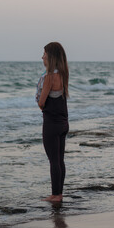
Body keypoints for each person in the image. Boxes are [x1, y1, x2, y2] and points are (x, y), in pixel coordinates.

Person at [36, 42, 69, 202]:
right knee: (59, 159)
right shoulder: (62, 74)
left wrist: (40, 104)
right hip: (63, 122)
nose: (42, 57)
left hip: (51, 123)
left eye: (44, 54)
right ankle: (59, 193)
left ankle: (55, 195)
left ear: (51, 57)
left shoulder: (50, 77)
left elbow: (42, 102)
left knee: (53, 160)